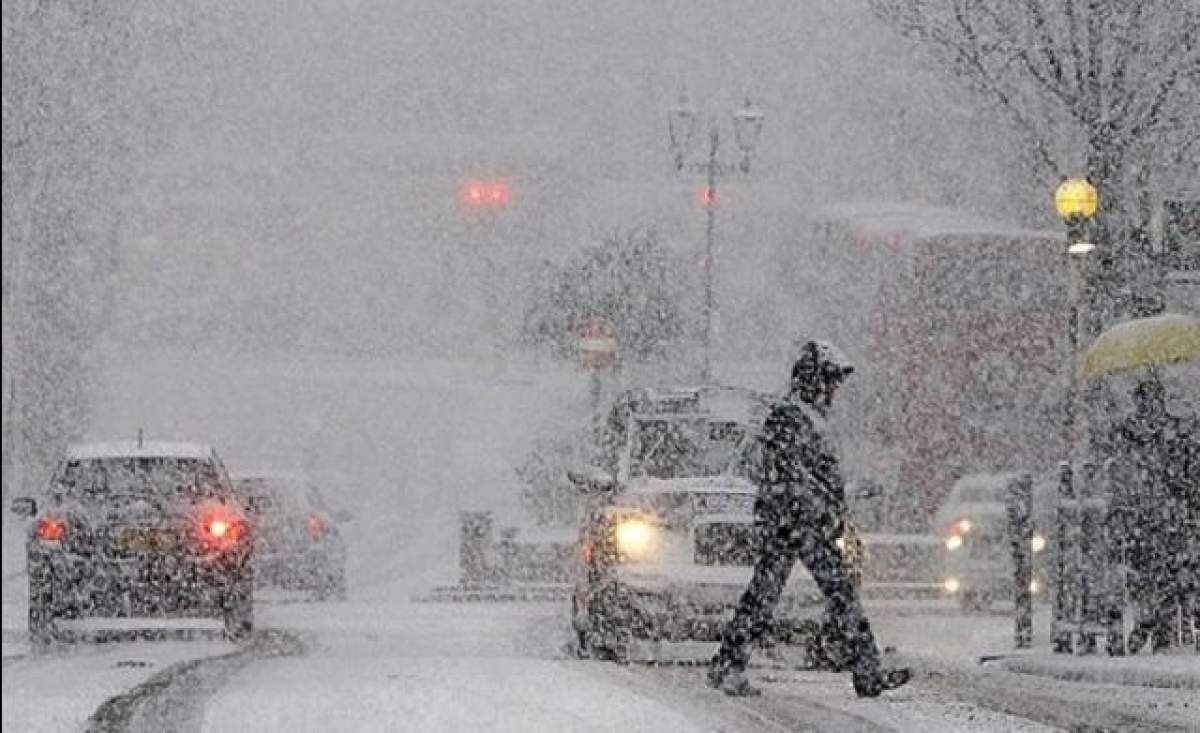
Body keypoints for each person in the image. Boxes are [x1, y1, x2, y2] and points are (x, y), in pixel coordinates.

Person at [708, 340, 910, 698]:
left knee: (769, 595)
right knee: (836, 593)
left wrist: (843, 495)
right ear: (814, 380)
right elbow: (792, 475)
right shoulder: (790, 417)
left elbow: (812, 476)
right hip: (797, 523)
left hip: (798, 521)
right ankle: (866, 671)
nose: (834, 390)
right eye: (830, 382)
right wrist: (816, 508)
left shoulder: (805, 418)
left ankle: (729, 663)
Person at [1108, 378, 1191, 653]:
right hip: (1152, 515)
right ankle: (1152, 625)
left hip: (1151, 515)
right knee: (1152, 574)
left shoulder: (1135, 432)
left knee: (1154, 574)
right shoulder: (1166, 431)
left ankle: (1152, 626)